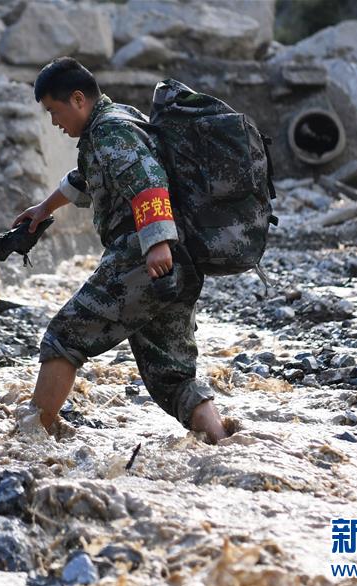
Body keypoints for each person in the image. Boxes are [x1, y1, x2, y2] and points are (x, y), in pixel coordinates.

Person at [13, 57, 229, 443]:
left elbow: (148, 181)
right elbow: (86, 179)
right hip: (176, 264)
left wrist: (157, 243)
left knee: (64, 337)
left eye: (54, 111)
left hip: (145, 259)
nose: (53, 122)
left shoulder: (111, 132)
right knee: (173, 376)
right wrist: (44, 209)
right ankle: (226, 444)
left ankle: (32, 436)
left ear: (78, 99)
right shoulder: (118, 123)